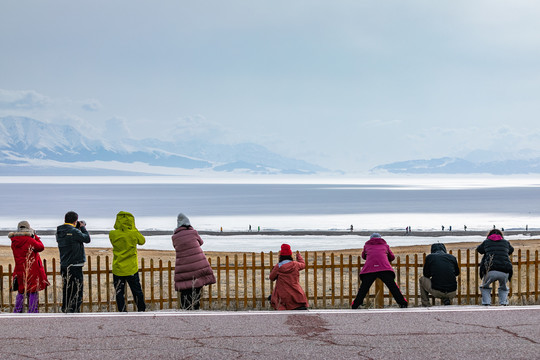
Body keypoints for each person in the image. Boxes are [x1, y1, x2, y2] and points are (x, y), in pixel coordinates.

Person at [352, 233, 408, 309]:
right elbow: (392, 257)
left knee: (364, 288)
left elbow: (363, 256)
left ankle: (355, 305)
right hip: (384, 268)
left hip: (370, 269)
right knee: (393, 287)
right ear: (380, 238)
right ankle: (402, 303)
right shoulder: (385, 246)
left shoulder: (367, 246)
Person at [172, 213, 216, 310]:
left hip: (183, 266)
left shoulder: (175, 237)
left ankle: (185, 310)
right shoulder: (193, 232)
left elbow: (175, 246)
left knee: (184, 290)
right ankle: (195, 310)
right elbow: (201, 242)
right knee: (196, 289)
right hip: (197, 266)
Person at [109, 211, 146, 312]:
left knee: (119, 292)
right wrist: (133, 228)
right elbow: (142, 241)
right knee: (137, 291)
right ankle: (141, 310)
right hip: (131, 268)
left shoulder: (112, 234)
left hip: (118, 268)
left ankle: (122, 312)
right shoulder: (133, 233)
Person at [9, 221, 49, 313]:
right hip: (32, 268)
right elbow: (41, 247)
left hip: (19, 268)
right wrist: (35, 237)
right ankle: (33, 310)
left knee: (21, 290)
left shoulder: (14, 241)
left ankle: (17, 310)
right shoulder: (29, 240)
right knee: (33, 290)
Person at [56, 211, 91, 313]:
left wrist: (76, 228)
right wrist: (83, 227)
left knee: (67, 289)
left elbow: (69, 237)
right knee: (76, 290)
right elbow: (87, 239)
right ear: (75, 221)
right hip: (75, 265)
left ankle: (65, 309)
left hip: (64, 264)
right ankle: (74, 311)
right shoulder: (74, 232)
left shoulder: (59, 231)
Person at [477, 229, 514, 306]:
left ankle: (487, 303)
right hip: (505, 269)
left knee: (485, 286)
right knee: (503, 287)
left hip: (490, 269)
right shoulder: (505, 242)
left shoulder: (486, 242)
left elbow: (479, 249)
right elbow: (511, 250)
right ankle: (503, 303)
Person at [269, 244, 309, 310]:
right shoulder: (295, 264)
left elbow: (271, 277)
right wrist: (299, 256)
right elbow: (303, 265)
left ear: (281, 256)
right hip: (296, 292)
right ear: (290, 255)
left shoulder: (278, 267)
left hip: (282, 294)